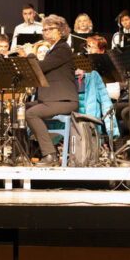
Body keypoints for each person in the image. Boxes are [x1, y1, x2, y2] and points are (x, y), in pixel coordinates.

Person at [22, 15, 79, 166]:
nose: (46, 33)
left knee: (31, 113)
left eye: (50, 29)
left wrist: (30, 54)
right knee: (20, 109)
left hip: (65, 100)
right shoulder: (52, 50)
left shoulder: (62, 49)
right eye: (44, 30)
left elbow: (40, 68)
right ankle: (22, 152)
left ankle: (50, 155)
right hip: (52, 99)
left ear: (60, 30)